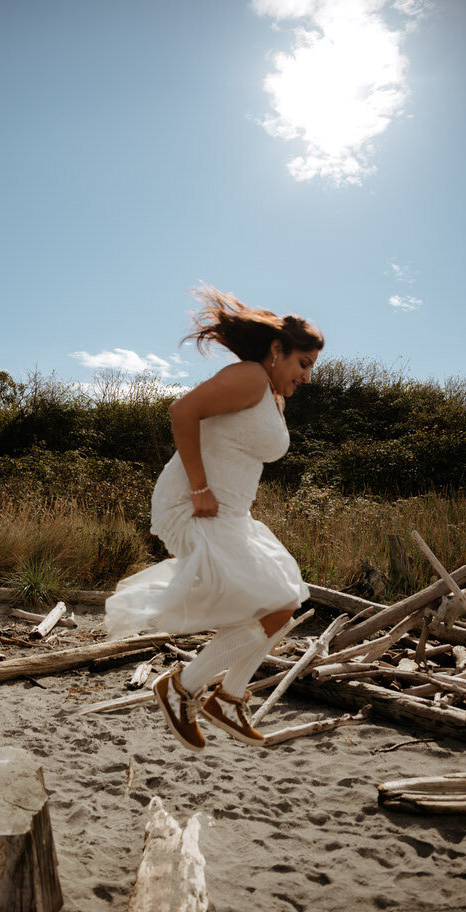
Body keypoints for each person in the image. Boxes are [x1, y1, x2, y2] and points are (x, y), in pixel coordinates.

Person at [105, 287, 324, 751]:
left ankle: (225, 697)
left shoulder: (270, 395)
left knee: (282, 606)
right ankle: (185, 688)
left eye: (312, 367)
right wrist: (201, 487)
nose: (307, 376)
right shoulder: (248, 376)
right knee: (280, 600)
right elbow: (183, 410)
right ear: (277, 350)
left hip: (231, 516)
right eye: (303, 363)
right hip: (195, 506)